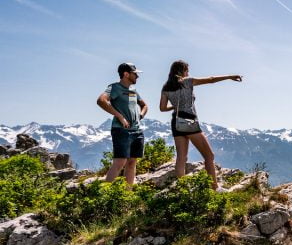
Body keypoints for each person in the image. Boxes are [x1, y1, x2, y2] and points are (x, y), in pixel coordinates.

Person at [159, 60, 242, 189]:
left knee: (181, 157)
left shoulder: (166, 87)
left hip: (176, 122)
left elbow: (162, 108)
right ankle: (214, 188)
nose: (188, 72)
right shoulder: (187, 81)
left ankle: (182, 189)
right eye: (187, 70)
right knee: (209, 156)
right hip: (190, 121)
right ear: (182, 71)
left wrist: (175, 106)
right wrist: (229, 77)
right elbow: (211, 79)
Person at [96, 62, 147, 186]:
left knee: (132, 162)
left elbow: (144, 105)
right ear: (126, 74)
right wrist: (119, 116)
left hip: (137, 131)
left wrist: (140, 115)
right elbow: (101, 101)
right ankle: (105, 195)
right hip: (121, 130)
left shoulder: (133, 90)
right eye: (135, 74)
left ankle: (127, 195)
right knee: (120, 162)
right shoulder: (114, 88)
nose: (137, 77)